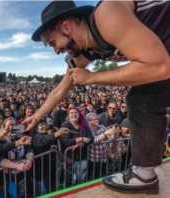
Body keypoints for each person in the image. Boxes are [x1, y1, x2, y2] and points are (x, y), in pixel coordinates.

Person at [24, 0, 170, 193]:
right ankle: (144, 175)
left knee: (141, 97)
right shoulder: (86, 51)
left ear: (66, 27)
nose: (56, 50)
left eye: (53, 42)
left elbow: (159, 66)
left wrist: (92, 77)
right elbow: (60, 90)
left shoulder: (106, 14)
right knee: (141, 98)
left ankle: (143, 175)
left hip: (162, 57)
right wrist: (36, 117)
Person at [0, 117, 34, 198]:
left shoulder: (20, 137)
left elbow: (29, 149)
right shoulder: (1, 140)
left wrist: (29, 160)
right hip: (5, 177)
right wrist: (17, 166)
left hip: (20, 175)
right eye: (8, 125)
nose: (11, 127)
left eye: (13, 124)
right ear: (4, 127)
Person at [29, 120, 68, 196]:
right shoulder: (34, 136)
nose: (44, 126)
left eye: (44, 124)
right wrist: (59, 133)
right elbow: (44, 139)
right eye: (41, 125)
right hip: (37, 174)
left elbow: (41, 147)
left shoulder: (43, 134)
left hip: (45, 172)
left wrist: (49, 149)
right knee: (42, 194)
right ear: (36, 128)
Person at [59, 107, 94, 184]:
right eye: (71, 113)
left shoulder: (84, 125)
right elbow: (66, 141)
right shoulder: (65, 125)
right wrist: (82, 138)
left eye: (76, 113)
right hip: (69, 158)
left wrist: (80, 144)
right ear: (68, 116)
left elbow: (91, 138)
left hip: (83, 158)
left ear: (79, 114)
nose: (74, 114)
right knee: (69, 180)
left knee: (81, 180)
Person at [86, 113, 120, 180]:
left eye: (97, 119)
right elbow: (94, 141)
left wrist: (115, 134)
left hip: (102, 158)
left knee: (99, 176)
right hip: (91, 159)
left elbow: (111, 139)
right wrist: (106, 133)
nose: (97, 120)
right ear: (88, 121)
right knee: (88, 177)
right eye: (94, 119)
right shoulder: (87, 130)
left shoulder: (102, 127)